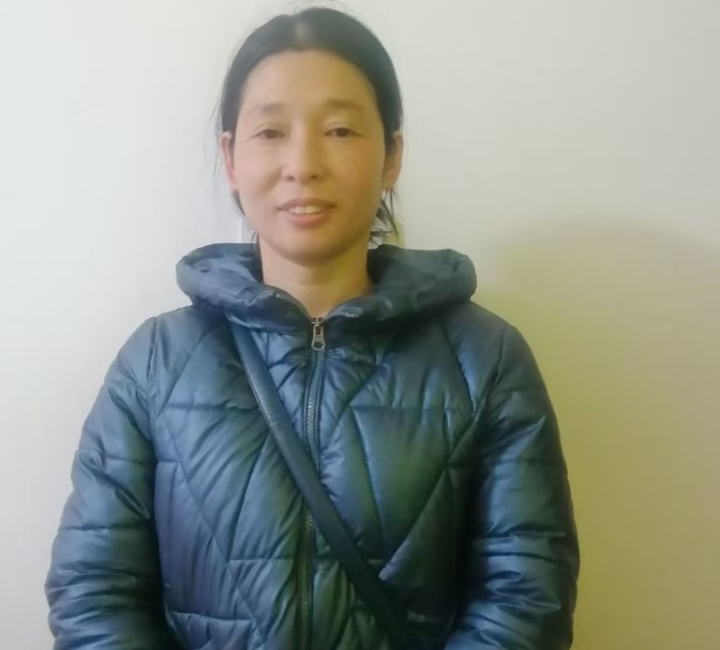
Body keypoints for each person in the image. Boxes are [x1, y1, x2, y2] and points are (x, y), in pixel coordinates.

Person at [46, 7, 579, 650]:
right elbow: (94, 594)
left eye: (340, 130)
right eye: (271, 131)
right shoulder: (156, 363)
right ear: (231, 158)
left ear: (391, 156)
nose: (303, 163)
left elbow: (525, 599)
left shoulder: (485, 360)